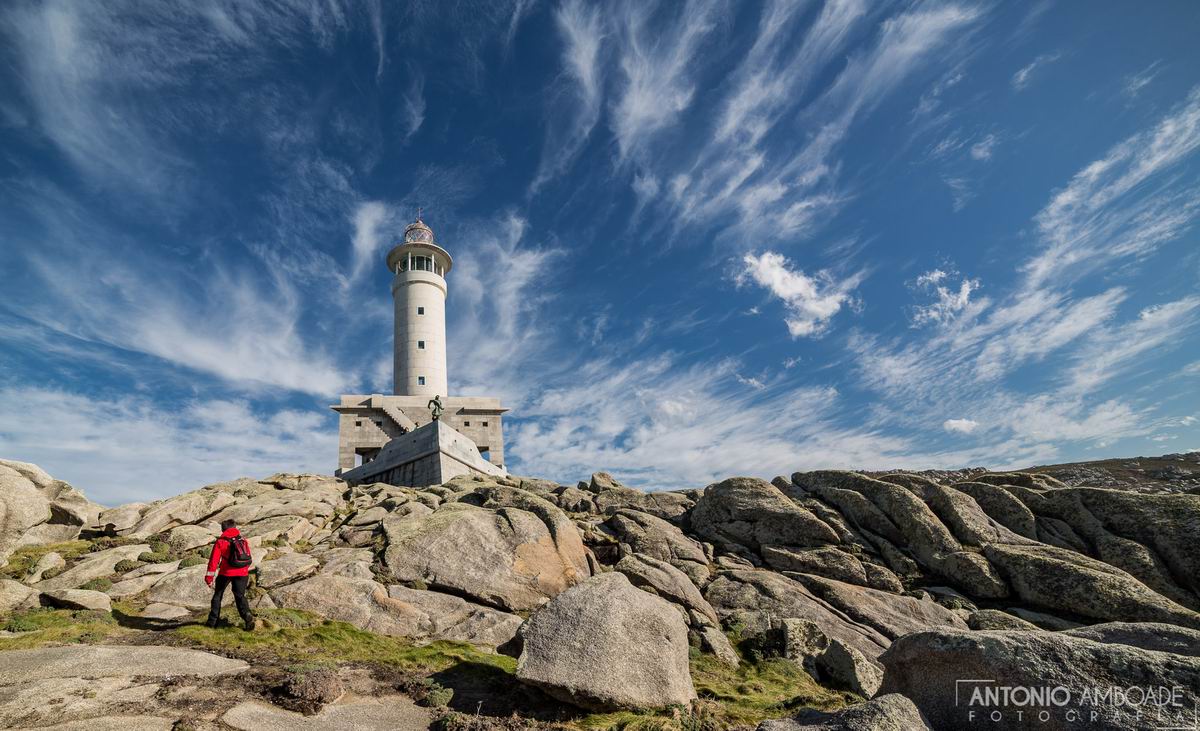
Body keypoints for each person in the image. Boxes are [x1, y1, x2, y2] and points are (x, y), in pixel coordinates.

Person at [204, 518, 256, 630]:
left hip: (226, 573)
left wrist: (209, 578)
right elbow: (246, 557)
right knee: (240, 596)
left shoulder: (220, 542)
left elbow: (213, 561)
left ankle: (212, 623)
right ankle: (247, 616)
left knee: (218, 595)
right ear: (235, 527)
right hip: (242, 573)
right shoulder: (242, 539)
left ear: (223, 529)